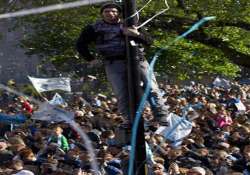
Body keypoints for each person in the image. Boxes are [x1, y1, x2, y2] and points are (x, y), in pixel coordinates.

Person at [76, 3, 168, 125]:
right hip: (113, 62)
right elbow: (80, 44)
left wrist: (136, 34)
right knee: (122, 92)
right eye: (106, 11)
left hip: (138, 60)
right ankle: (129, 119)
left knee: (151, 88)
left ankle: (160, 115)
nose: (110, 14)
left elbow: (149, 41)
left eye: (113, 11)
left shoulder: (131, 24)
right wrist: (91, 59)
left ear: (119, 13)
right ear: (102, 14)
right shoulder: (94, 28)